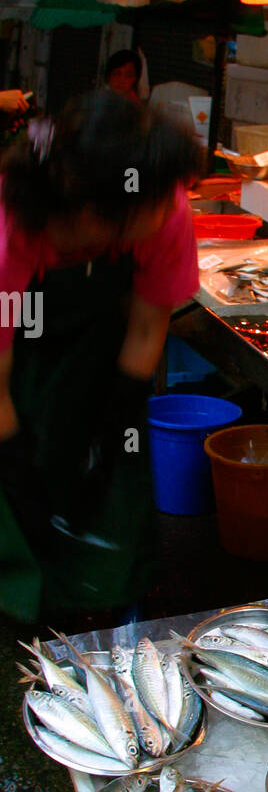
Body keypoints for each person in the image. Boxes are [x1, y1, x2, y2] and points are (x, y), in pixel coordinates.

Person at [0, 92, 204, 621]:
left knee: (109, 507)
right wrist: (17, 469)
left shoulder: (162, 205)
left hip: (104, 360)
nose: (168, 211)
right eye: (153, 204)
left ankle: (109, 613)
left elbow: (145, 326)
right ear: (89, 209)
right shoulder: (10, 233)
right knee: (19, 514)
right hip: (16, 368)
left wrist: (112, 426)